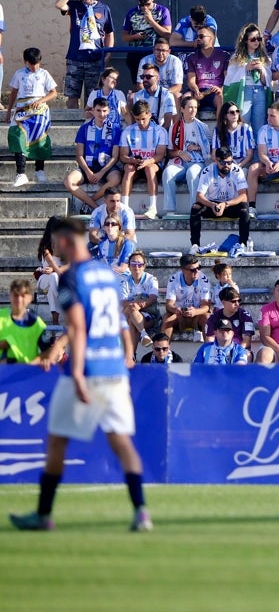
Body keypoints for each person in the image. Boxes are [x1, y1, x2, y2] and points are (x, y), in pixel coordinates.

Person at [9, 217, 151, 533]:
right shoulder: (106, 274)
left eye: (57, 242)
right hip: (114, 369)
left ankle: (44, 514)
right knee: (122, 442)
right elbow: (120, 322)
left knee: (57, 442)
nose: (56, 248)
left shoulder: (73, 277)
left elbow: (77, 328)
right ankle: (141, 511)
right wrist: (128, 354)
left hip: (87, 370)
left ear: (66, 241)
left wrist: (75, 373)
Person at [54, 0, 115, 110]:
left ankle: (90, 124)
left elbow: (109, 33)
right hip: (75, 58)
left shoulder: (104, 9)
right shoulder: (74, 6)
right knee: (72, 96)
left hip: (95, 59)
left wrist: (108, 52)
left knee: (94, 96)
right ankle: (71, 125)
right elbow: (59, 5)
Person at [65, 82, 124, 209]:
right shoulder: (84, 128)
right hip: (88, 166)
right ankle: (95, 207)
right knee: (68, 181)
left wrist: (101, 173)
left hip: (106, 167)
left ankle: (91, 201)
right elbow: (79, 154)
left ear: (109, 111)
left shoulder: (115, 130)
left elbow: (115, 156)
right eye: (98, 110)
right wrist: (88, 172)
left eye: (104, 111)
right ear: (92, 110)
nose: (101, 114)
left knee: (116, 178)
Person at [7, 47, 57, 187]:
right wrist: (8, 111)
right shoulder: (19, 74)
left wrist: (41, 100)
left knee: (40, 138)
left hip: (39, 110)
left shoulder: (44, 74)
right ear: (25, 62)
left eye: (37, 64)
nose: (34, 67)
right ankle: (21, 173)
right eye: (31, 64)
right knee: (17, 135)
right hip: (22, 109)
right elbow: (13, 93)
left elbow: (53, 93)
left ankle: (39, 170)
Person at [189, 146, 250, 255]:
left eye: (229, 162)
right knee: (195, 207)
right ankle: (195, 245)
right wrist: (212, 204)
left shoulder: (237, 170)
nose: (227, 166)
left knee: (244, 209)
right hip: (212, 204)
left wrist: (226, 204)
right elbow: (199, 196)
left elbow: (243, 196)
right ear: (216, 160)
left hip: (230, 204)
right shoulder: (208, 171)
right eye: (223, 162)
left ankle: (243, 244)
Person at [118, 100, 168, 219]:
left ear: (149, 114)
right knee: (129, 168)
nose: (140, 122)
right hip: (135, 165)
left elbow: (160, 155)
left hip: (153, 164)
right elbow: (122, 156)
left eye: (143, 119)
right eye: (137, 119)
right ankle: (124, 208)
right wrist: (131, 160)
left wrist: (148, 161)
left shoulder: (160, 131)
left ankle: (152, 208)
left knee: (150, 168)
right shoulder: (128, 131)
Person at [161, 95, 211, 215]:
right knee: (168, 173)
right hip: (180, 163)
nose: (193, 110)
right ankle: (170, 211)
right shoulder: (174, 127)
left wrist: (197, 147)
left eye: (195, 107)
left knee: (192, 173)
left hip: (197, 162)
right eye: (190, 107)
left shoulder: (203, 127)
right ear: (182, 109)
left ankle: (194, 210)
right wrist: (179, 152)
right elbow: (169, 152)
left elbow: (210, 148)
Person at [120, 0, 172, 87]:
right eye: (142, 5)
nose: (145, 8)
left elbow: (167, 33)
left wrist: (151, 21)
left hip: (155, 53)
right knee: (138, 85)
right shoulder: (132, 13)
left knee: (156, 83)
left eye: (148, 4)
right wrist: (136, 36)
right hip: (136, 53)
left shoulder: (162, 11)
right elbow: (124, 37)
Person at [225, 23, 273, 132]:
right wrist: (245, 69)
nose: (256, 41)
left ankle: (257, 149)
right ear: (246, 40)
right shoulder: (237, 57)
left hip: (260, 91)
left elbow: (268, 81)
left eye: (259, 38)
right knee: (243, 123)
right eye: (253, 39)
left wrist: (262, 70)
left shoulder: (265, 57)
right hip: (245, 90)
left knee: (259, 126)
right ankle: (243, 148)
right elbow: (230, 77)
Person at [161, 252, 212, 340]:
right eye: (193, 270)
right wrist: (175, 309)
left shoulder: (204, 279)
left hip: (197, 315)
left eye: (198, 268)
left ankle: (210, 350)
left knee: (207, 318)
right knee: (167, 319)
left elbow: (206, 306)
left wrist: (195, 311)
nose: (197, 272)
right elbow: (169, 304)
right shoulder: (174, 280)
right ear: (183, 270)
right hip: (179, 315)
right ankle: (164, 350)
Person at [0, 279, 50, 364]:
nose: (19, 299)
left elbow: (48, 350)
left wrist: (32, 364)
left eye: (23, 295)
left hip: (26, 372)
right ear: (10, 296)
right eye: (16, 295)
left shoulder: (36, 323)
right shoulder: (1, 316)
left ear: (30, 298)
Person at [182, 27, 228, 113]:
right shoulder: (192, 57)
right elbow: (191, 80)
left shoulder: (224, 56)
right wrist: (196, 90)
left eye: (201, 36)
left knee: (221, 98)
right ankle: (189, 126)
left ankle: (219, 126)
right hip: (198, 90)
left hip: (215, 91)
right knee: (186, 98)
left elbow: (228, 79)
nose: (198, 39)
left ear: (212, 38)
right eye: (197, 37)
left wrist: (220, 89)